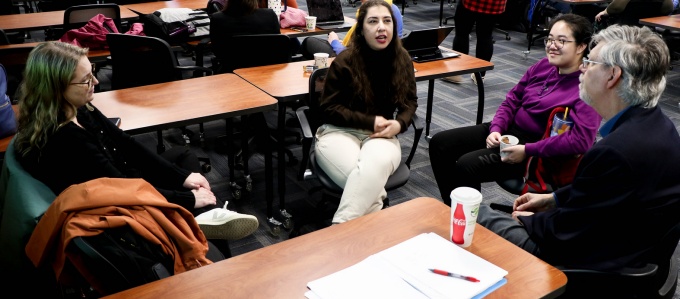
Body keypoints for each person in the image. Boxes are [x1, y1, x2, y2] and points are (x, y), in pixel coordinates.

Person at [476, 24, 680, 274]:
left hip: (590, 265)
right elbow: (608, 190)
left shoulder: (614, 151)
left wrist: (531, 221)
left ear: (612, 76)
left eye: (590, 63)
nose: (582, 69)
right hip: (628, 246)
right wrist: (554, 198)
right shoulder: (660, 125)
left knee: (477, 215)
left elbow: (564, 233)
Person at [14, 41, 258, 241]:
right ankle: (200, 222)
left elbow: (125, 143)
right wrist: (186, 198)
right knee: (189, 195)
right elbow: (120, 188)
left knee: (183, 160)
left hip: (121, 181)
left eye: (93, 73)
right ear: (56, 88)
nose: (96, 83)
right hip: (111, 204)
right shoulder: (64, 138)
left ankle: (198, 219)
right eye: (86, 80)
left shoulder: (76, 108)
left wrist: (181, 179)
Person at [429, 14, 602, 206]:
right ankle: (451, 210)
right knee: (440, 144)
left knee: (467, 165)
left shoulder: (587, 85)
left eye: (561, 41)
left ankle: (471, 224)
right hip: (509, 131)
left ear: (581, 46)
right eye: (550, 39)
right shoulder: (544, 65)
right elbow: (512, 99)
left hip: (537, 150)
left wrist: (528, 150)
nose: (552, 45)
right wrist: (496, 128)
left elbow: (581, 142)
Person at [315, 0, 417, 224]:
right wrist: (370, 121)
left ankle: (338, 230)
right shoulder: (345, 61)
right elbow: (329, 109)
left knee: (367, 178)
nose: (382, 27)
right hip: (338, 132)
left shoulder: (402, 60)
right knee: (369, 186)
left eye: (387, 21)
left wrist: (399, 124)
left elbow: (410, 103)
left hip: (383, 137)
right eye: (373, 21)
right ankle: (349, 232)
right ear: (361, 29)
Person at [210, 0, 300, 69]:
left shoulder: (217, 18)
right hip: (268, 69)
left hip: (232, 70)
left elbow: (217, 51)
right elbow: (277, 44)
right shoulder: (270, 15)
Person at [299, 0, 403, 59]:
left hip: (355, 61)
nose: (381, 27)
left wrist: (336, 43)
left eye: (386, 21)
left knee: (309, 43)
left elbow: (356, 58)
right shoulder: (392, 7)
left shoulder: (374, 11)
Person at [442, 0, 507, 84]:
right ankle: (480, 76)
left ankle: (455, 73)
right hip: (494, 4)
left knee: (462, 33)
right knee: (486, 36)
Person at [594, 0, 673, 27]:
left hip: (626, 28)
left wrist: (605, 12)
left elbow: (616, 7)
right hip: (649, 29)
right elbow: (668, 8)